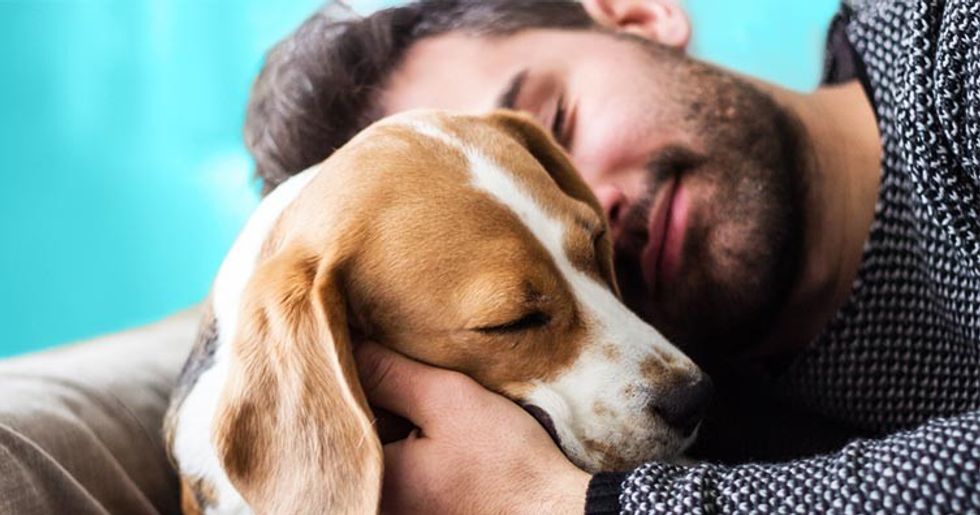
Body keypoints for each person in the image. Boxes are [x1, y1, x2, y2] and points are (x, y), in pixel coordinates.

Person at [243, 0, 980, 512]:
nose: (590, 207)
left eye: (551, 131)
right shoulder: (688, 414)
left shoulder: (952, 46)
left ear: (637, 15)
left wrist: (571, 507)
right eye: (509, 311)